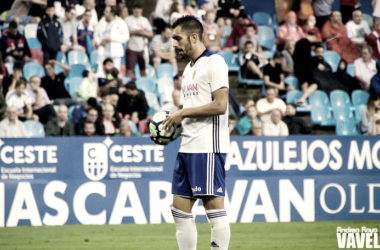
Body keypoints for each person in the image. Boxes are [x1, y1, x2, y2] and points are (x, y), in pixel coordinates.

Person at [152, 16, 231, 250]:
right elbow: (193, 109)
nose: (173, 44)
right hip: (187, 147)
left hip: (207, 146)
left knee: (213, 208)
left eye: (177, 38)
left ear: (194, 37)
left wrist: (183, 113)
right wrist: (176, 123)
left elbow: (220, 105)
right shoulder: (188, 69)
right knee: (179, 210)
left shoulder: (214, 62)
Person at [94, 6, 129, 74]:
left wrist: (112, 38)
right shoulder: (101, 22)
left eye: (107, 12)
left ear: (112, 13)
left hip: (115, 51)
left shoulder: (120, 22)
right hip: (103, 51)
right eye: (104, 11)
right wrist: (100, 42)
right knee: (101, 71)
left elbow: (126, 36)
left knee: (115, 71)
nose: (104, 13)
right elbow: (96, 35)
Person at [125, 4, 153, 78]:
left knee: (143, 70)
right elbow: (124, 33)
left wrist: (143, 32)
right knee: (129, 69)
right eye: (136, 11)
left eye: (139, 12)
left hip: (142, 48)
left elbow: (151, 34)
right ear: (133, 10)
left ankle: (143, 85)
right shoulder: (128, 19)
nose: (138, 13)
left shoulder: (144, 20)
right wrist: (134, 32)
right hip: (131, 48)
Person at [293, 39, 319, 106]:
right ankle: (302, 99)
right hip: (305, 70)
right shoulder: (306, 42)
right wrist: (316, 64)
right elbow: (308, 56)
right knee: (314, 85)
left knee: (305, 86)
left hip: (298, 71)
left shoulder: (298, 45)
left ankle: (304, 102)